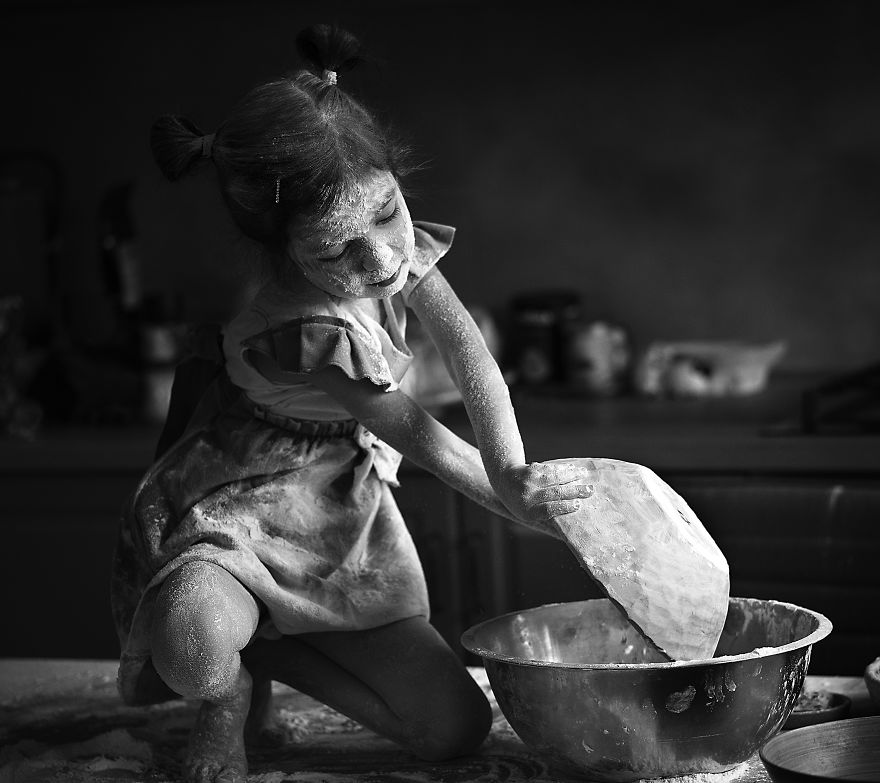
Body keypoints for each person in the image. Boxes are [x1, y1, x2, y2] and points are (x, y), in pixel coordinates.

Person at [111, 23, 593, 783]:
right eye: (334, 247)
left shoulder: (389, 246)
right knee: (193, 643)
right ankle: (227, 696)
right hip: (247, 497)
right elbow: (412, 429)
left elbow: (473, 360)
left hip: (342, 509)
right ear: (282, 250)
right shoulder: (302, 326)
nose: (381, 257)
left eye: (387, 211)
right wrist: (514, 503)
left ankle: (270, 647)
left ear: (393, 179)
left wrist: (512, 469)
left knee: (451, 729)